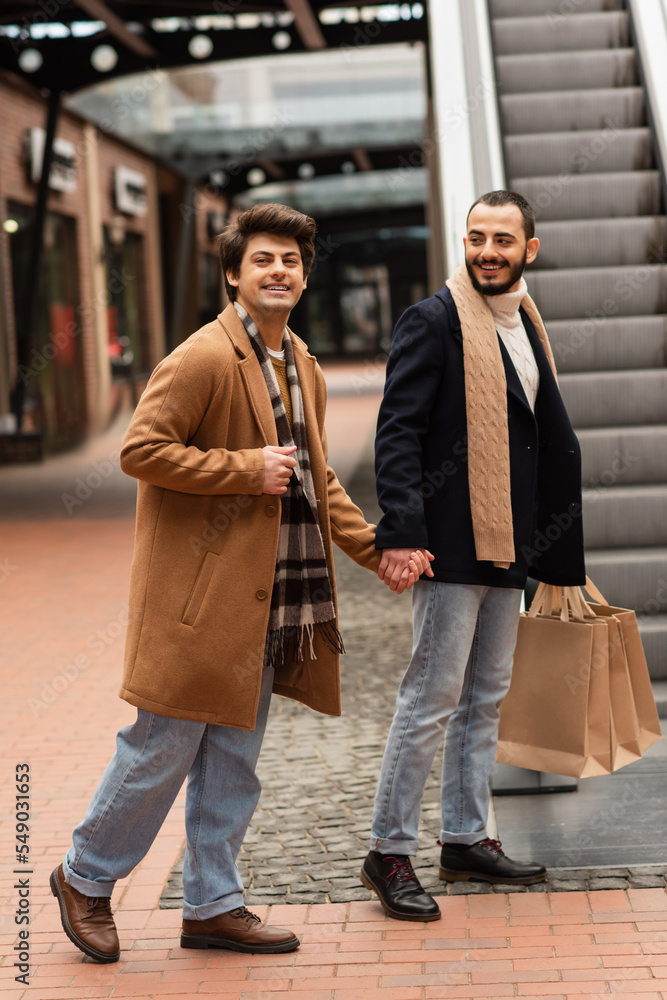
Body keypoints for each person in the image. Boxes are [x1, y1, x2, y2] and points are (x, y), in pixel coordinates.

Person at [50, 203, 432, 962]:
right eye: (263, 259)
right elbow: (140, 450)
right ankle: (84, 877)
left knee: (234, 754)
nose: (279, 271)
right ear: (233, 274)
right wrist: (241, 470)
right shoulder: (201, 357)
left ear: (304, 273)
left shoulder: (303, 365)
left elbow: (315, 478)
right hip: (199, 600)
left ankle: (211, 903)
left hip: (271, 599)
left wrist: (378, 550)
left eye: (291, 260)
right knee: (160, 747)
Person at [360, 190, 586, 921]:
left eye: (502, 238)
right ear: (464, 242)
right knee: (429, 699)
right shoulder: (433, 321)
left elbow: (539, 436)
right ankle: (387, 851)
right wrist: (401, 528)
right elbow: (396, 430)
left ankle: (464, 837)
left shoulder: (525, 323)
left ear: (530, 248)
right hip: (450, 545)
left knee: (484, 698)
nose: (487, 249)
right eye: (476, 236)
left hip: (509, 543)